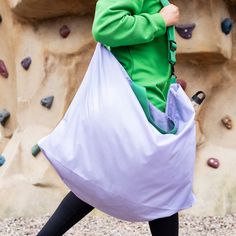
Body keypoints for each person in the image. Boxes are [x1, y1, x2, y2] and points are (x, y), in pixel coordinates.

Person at [37, 0, 180, 235]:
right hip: (136, 102)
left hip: (150, 100)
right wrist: (160, 21)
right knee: (160, 183)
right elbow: (105, 26)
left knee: (116, 179)